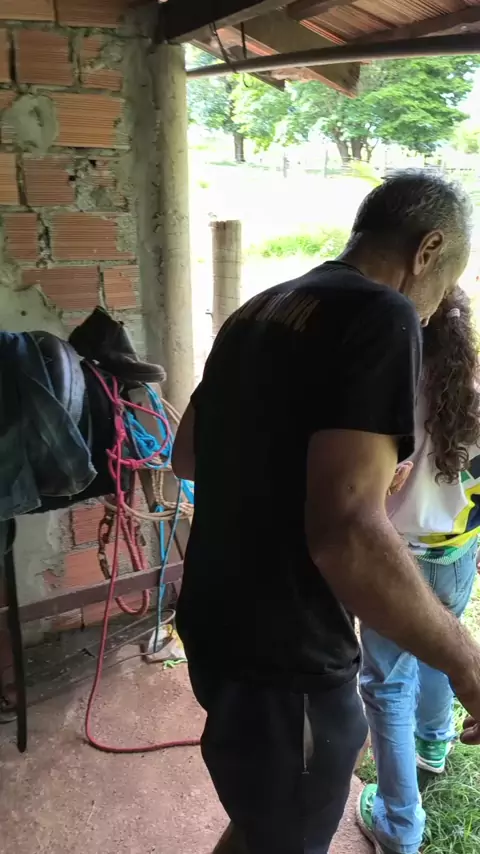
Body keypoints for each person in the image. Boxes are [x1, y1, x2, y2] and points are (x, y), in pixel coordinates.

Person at [172, 169, 480, 854]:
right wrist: (468, 665)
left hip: (216, 624)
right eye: (443, 285)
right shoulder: (384, 313)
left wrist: (331, 470)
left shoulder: (259, 308)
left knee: (264, 824)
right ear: (427, 250)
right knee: (285, 835)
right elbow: (347, 534)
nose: (432, 311)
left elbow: (187, 455)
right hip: (290, 654)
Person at [358, 286, 480, 854]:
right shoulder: (472, 395)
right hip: (458, 555)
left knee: (386, 685)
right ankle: (434, 742)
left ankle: (399, 826)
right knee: (440, 648)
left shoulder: (381, 396)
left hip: (395, 562)